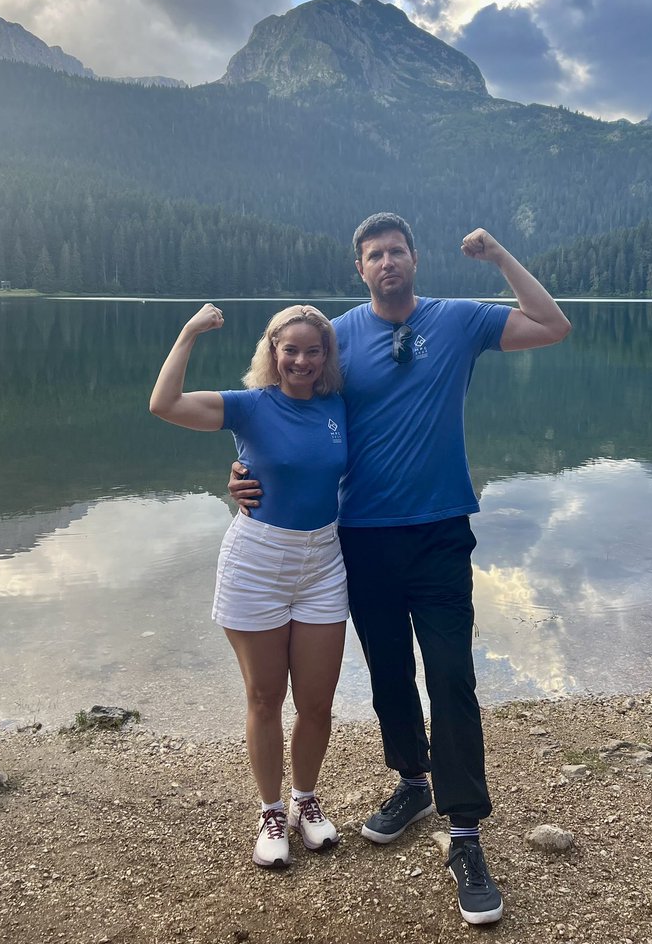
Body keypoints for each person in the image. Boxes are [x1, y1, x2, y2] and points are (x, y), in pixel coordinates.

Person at [229, 214, 571, 925]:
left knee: (450, 674)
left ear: (415, 259)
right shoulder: (339, 339)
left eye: (396, 251)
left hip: (441, 531)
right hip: (362, 537)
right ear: (360, 268)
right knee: (388, 673)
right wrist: (242, 475)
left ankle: (467, 835)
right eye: (374, 255)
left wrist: (500, 255)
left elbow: (552, 324)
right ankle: (411, 780)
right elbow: (283, 412)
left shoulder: (459, 320)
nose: (387, 262)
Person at [150, 303, 348, 870]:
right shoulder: (250, 406)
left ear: (326, 356)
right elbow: (164, 404)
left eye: (314, 350)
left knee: (317, 701)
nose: (302, 360)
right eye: (291, 350)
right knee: (265, 697)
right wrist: (188, 332)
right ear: (272, 352)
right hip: (257, 562)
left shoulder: (339, 406)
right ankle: (269, 810)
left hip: (323, 563)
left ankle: (306, 802)